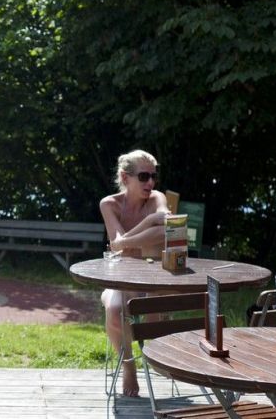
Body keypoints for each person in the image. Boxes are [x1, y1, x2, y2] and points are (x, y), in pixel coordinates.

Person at [99, 149, 169, 398]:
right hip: (121, 278)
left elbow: (166, 230)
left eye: (153, 176)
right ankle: (128, 364)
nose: (150, 182)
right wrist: (148, 224)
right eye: (143, 176)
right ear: (125, 177)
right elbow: (119, 241)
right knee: (114, 311)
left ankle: (153, 358)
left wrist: (125, 241)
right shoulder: (109, 204)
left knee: (151, 315)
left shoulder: (157, 198)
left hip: (154, 279)